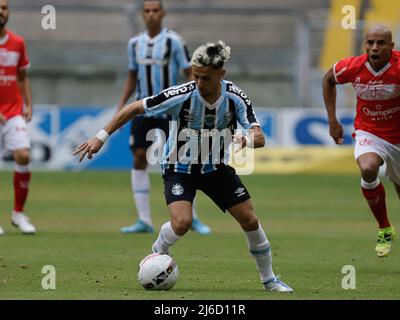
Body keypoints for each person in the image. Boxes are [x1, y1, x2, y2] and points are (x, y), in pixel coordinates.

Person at [74, 41, 293, 292]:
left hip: (215, 168)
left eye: (206, 78)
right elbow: (135, 108)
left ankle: (269, 280)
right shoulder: (181, 95)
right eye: (196, 76)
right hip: (179, 168)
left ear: (221, 74)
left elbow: (260, 137)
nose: (199, 83)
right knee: (182, 223)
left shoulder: (236, 98)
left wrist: (244, 139)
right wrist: (99, 137)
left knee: (250, 220)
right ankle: (157, 254)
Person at [117, 0, 210, 235]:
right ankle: (144, 220)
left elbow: (190, 72)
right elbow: (131, 75)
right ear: (142, 14)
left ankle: (193, 217)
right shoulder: (134, 43)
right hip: (142, 107)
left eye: (154, 10)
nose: (150, 14)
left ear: (162, 13)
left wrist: (192, 100)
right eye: (147, 11)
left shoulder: (174, 41)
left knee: (182, 158)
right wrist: (121, 104)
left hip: (171, 107)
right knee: (139, 157)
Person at [323, 25, 400, 257]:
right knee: (368, 169)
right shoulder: (353, 66)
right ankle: (384, 228)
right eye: (370, 42)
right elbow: (328, 80)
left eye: (380, 43)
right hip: (370, 132)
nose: (374, 47)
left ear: (391, 47)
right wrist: (333, 120)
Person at [0, 0, 36, 235]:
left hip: (13, 112)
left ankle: (18, 214)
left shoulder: (17, 42)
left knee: (23, 155)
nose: (0, 12)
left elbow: (21, 77)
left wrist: (28, 103)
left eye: (4, 7)